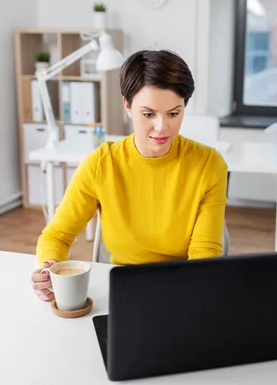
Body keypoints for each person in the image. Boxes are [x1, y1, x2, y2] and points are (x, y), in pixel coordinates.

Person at [31, 50, 228, 302]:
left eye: (174, 113)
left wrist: (190, 292)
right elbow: (57, 235)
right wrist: (50, 268)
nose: (162, 127)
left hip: (182, 284)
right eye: (148, 114)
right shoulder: (101, 164)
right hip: (123, 287)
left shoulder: (209, 164)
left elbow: (205, 250)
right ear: (127, 105)